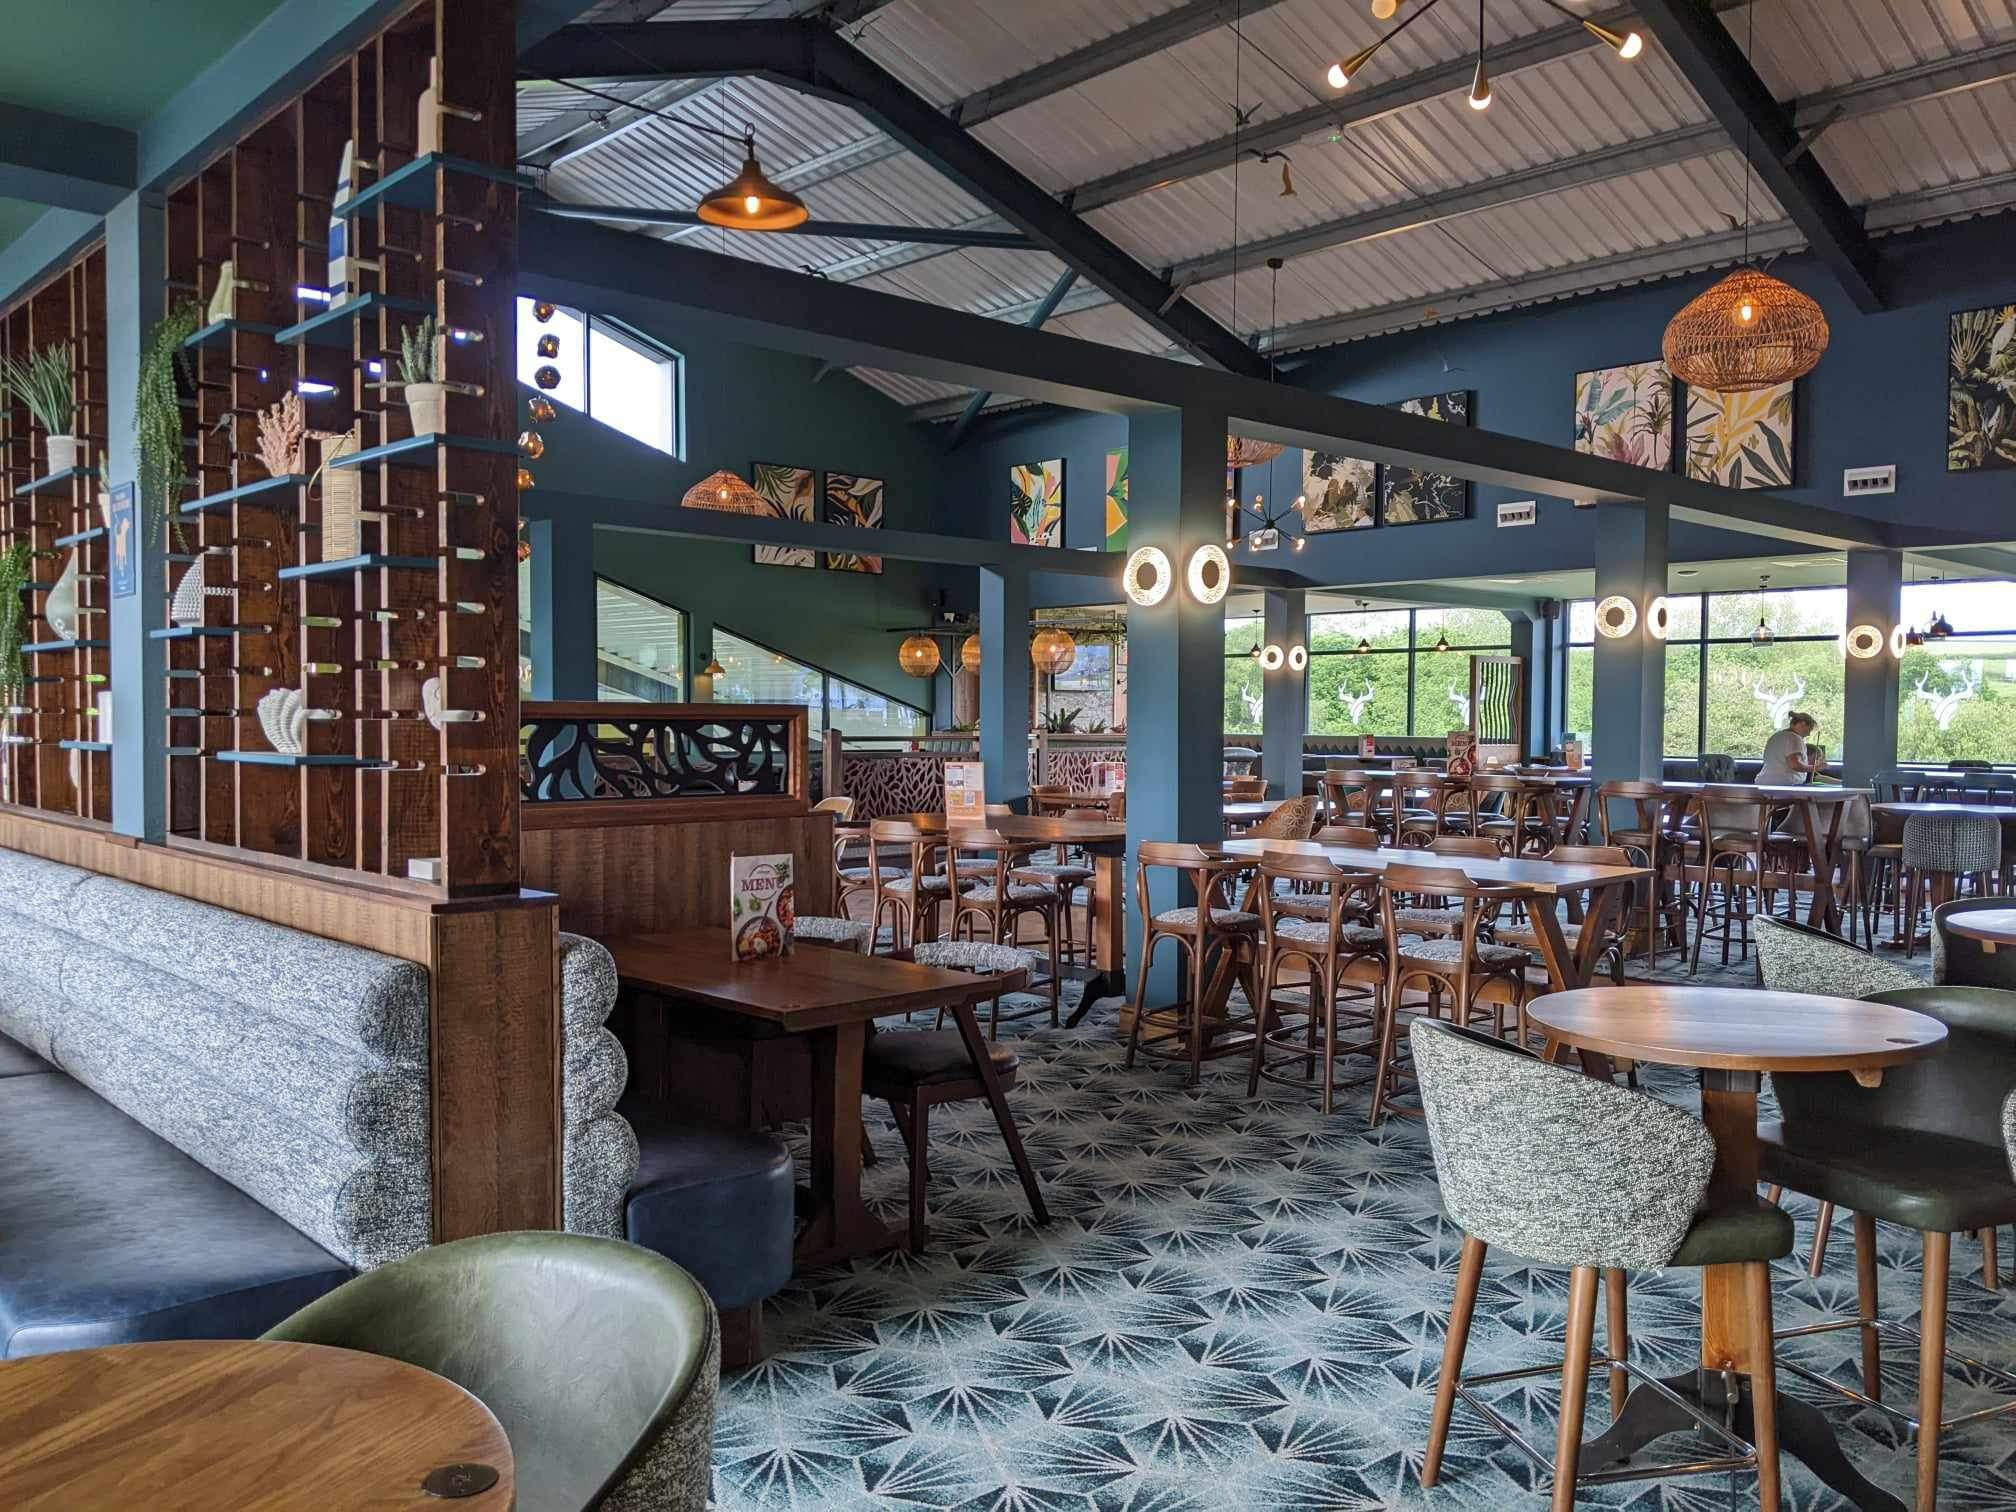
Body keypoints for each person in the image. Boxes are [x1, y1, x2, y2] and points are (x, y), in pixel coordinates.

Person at [1758, 711, 1821, 785]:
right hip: (1785, 784)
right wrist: (1815, 767)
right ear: (1802, 724)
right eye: (1809, 729)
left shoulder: (1776, 736)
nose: (1809, 734)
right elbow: (1795, 765)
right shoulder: (1794, 738)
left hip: (1764, 782)